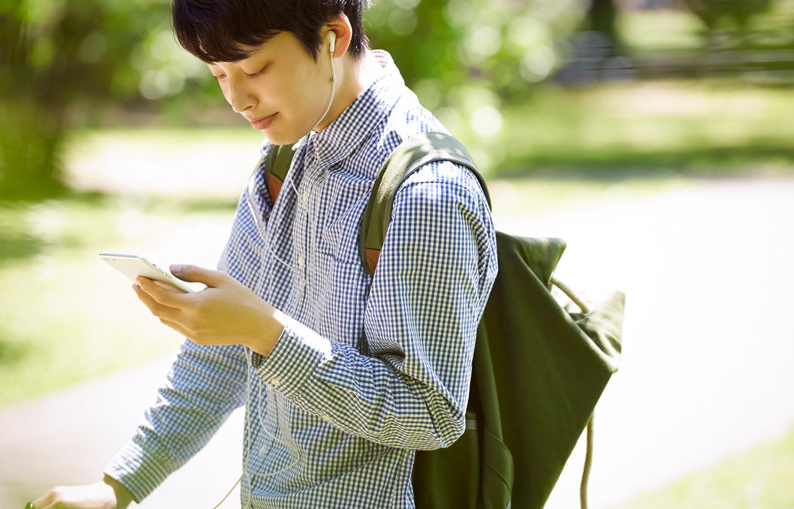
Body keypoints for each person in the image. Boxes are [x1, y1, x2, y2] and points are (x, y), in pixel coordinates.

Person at [31, 0, 497, 507]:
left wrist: (266, 334)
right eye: (218, 74)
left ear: (333, 38)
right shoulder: (286, 154)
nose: (236, 98)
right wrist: (118, 486)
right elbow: (221, 355)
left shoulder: (426, 193)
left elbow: (430, 413)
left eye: (254, 68)